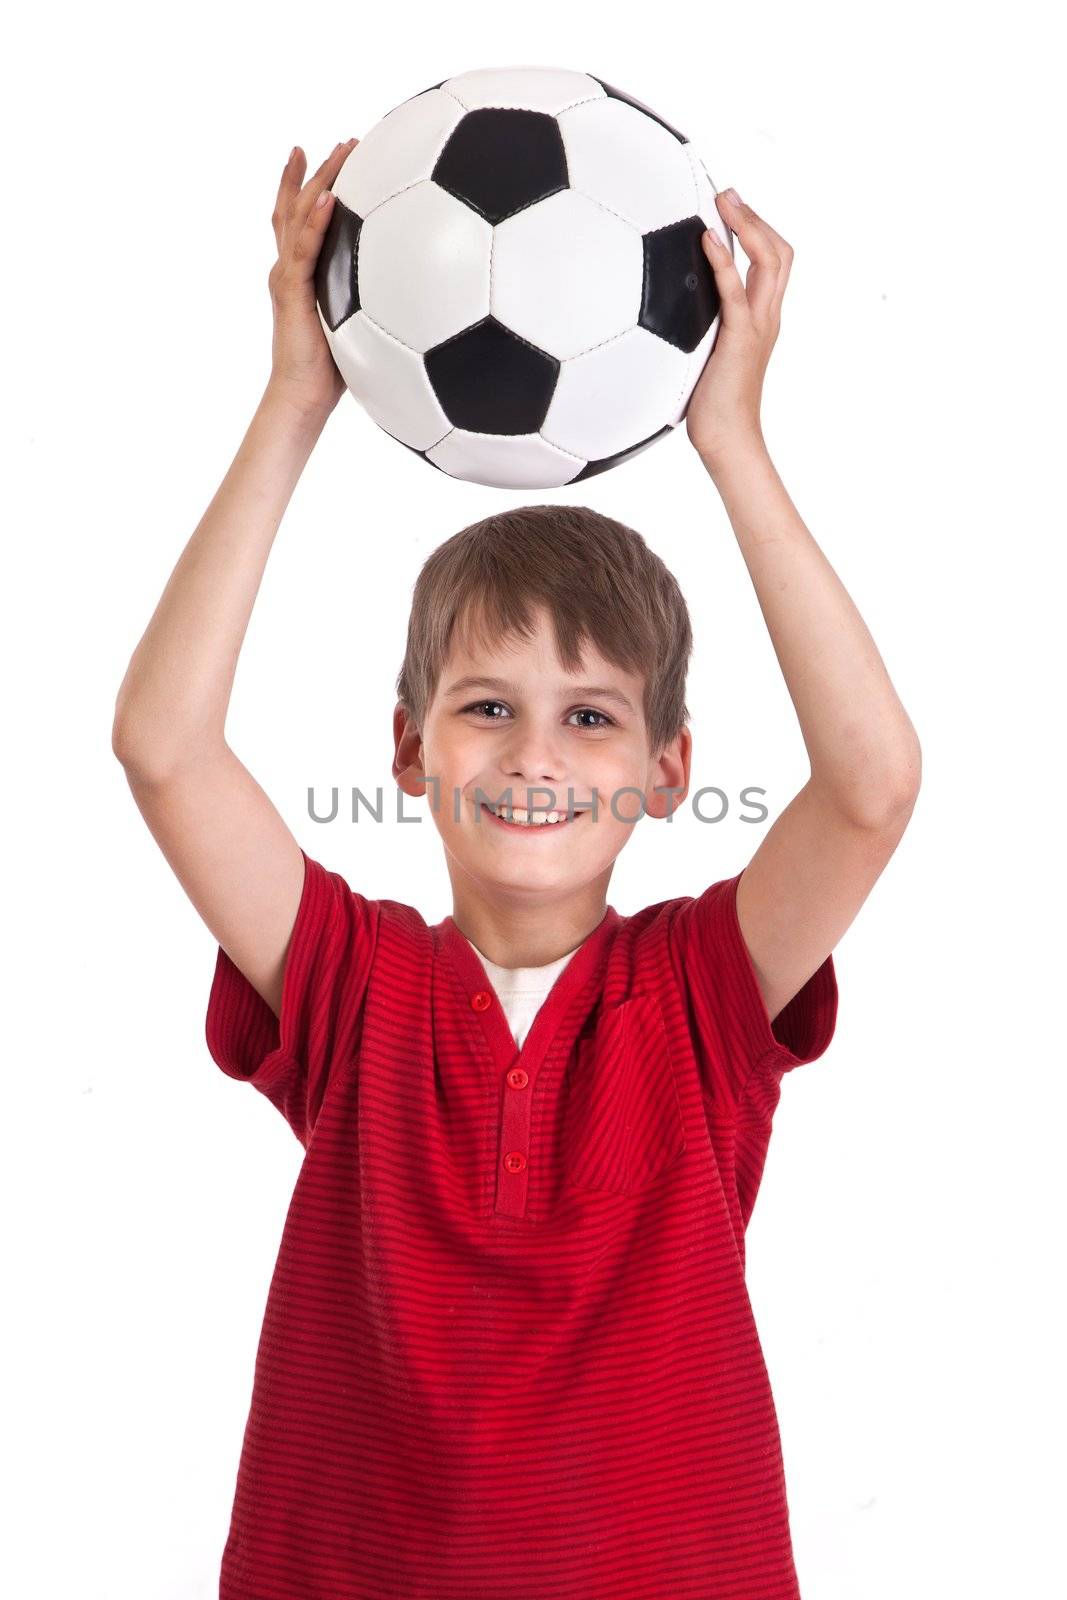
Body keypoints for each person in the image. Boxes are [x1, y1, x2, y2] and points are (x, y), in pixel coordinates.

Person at [112, 138, 921, 1600]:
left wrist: (731, 440)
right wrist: (298, 396)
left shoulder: (700, 995)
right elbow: (165, 749)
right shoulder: (353, 985)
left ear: (667, 774)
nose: (536, 755)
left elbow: (871, 790)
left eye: (592, 716)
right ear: (412, 751)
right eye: (489, 708)